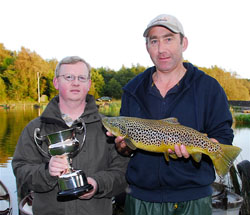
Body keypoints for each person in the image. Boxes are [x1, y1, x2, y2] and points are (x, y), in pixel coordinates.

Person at [109, 14, 234, 215]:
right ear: (147, 46)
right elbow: (126, 151)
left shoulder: (209, 87)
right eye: (154, 41)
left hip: (193, 199)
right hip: (141, 198)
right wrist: (122, 147)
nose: (161, 49)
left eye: (168, 39)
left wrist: (203, 147)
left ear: (183, 43)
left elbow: (224, 135)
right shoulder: (132, 90)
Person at [12, 56, 129, 215]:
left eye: (81, 78)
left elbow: (122, 173)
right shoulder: (34, 128)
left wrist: (97, 184)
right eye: (68, 77)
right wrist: (47, 172)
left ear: (88, 84)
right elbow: (20, 170)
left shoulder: (110, 129)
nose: (75, 82)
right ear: (56, 82)